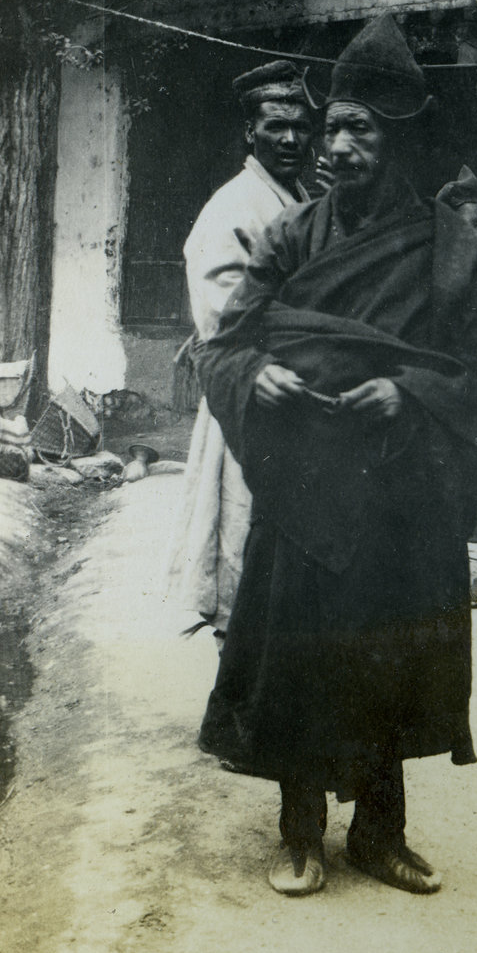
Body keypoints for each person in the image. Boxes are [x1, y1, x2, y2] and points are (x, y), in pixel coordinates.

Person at [196, 14, 477, 897]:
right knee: (301, 658)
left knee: (387, 660)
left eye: (360, 129)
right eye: (331, 124)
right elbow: (221, 345)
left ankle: (380, 834)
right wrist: (256, 371)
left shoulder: (447, 250)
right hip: (305, 486)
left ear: (400, 140)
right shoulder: (292, 237)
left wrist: (409, 392)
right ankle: (301, 832)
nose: (335, 144)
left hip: (403, 489)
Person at [165, 61, 315, 640]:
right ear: (250, 131)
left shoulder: (294, 195)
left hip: (299, 394)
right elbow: (222, 318)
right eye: (276, 125)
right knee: (243, 545)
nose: (290, 138)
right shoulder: (234, 206)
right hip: (253, 395)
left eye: (302, 126)